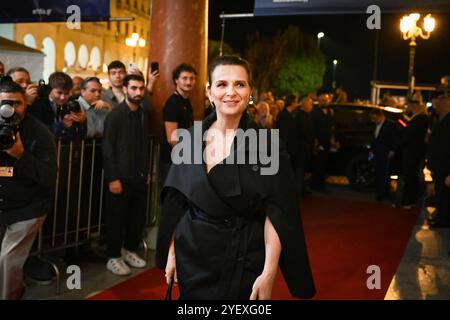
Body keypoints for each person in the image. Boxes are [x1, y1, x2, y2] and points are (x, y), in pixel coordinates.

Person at [156, 55, 315, 300]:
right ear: (209, 92)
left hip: (242, 258)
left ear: (250, 91)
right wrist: (173, 253)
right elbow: (177, 201)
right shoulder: (189, 138)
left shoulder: (266, 144)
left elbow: (278, 213)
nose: (231, 92)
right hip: (193, 255)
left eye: (240, 84)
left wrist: (269, 272)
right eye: (222, 84)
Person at [0, 79, 57, 299]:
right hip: (4, 204)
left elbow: (49, 176)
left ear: (26, 104)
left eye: (16, 103)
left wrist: (21, 156)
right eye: (5, 103)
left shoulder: (40, 132)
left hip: (29, 207)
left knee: (7, 260)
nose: (10, 109)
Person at [102, 74, 150, 276]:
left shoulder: (143, 114)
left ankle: (129, 250)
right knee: (116, 219)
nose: (138, 92)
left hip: (139, 176)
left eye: (141, 88)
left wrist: (147, 172)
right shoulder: (115, 115)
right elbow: (107, 148)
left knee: (136, 218)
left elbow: (145, 146)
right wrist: (113, 177)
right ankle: (113, 257)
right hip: (120, 177)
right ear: (125, 89)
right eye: (134, 88)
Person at [160, 63, 197, 182]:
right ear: (176, 80)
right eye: (184, 78)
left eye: (192, 78)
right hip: (173, 160)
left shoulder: (186, 101)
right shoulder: (173, 103)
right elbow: (172, 138)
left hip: (181, 157)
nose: (188, 82)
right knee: (172, 198)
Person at [393, 97, 428, 208]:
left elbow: (408, 137)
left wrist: (396, 146)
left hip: (412, 154)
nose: (406, 107)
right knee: (410, 178)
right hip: (413, 153)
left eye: (408, 105)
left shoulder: (420, 118)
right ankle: (409, 200)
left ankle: (408, 201)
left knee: (410, 178)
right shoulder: (417, 118)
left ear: (413, 106)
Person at [427, 96, 450, 227]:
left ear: (444, 106)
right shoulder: (441, 120)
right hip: (439, 167)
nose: (435, 108)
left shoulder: (448, 122)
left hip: (445, 168)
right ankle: (441, 216)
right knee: (440, 194)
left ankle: (444, 219)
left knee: (444, 196)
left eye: (437, 105)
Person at [369, 108, 398, 201]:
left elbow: (394, 139)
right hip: (376, 152)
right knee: (378, 172)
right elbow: (374, 139)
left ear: (381, 116)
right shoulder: (375, 125)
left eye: (375, 118)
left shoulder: (390, 125)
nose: (373, 120)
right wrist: (371, 151)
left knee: (384, 173)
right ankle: (379, 190)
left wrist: (392, 150)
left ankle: (383, 193)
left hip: (386, 152)